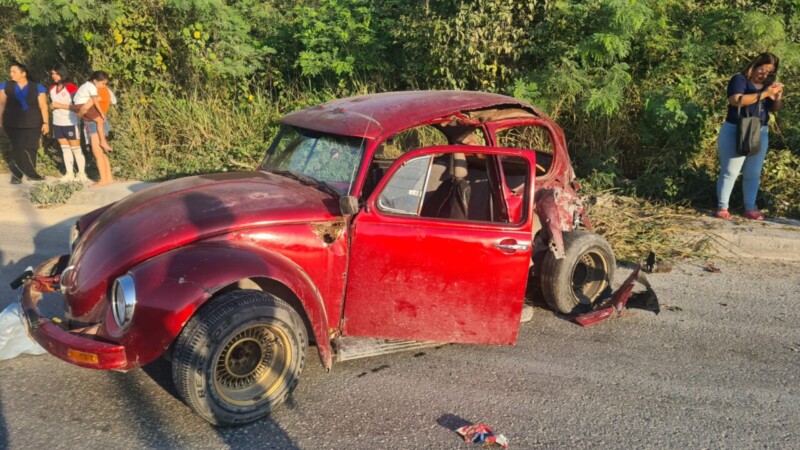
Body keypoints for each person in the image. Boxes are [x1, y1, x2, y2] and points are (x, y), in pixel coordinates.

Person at [715, 52, 785, 220]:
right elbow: (736, 100)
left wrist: (776, 98)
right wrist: (764, 94)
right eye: (763, 70)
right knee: (730, 170)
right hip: (736, 129)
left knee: (753, 172)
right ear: (754, 65)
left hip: (760, 131)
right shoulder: (739, 79)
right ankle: (722, 207)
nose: (765, 74)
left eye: (770, 72)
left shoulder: (767, 85)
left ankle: (750, 208)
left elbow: (773, 109)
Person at [0, 62, 48, 184]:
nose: (11, 74)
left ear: (23, 73)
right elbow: (2, 104)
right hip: (12, 122)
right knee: (17, 147)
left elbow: (43, 106)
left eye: (14, 72)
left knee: (31, 147)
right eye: (10, 72)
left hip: (33, 122)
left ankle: (31, 173)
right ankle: (16, 175)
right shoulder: (5, 86)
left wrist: (45, 122)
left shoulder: (37, 87)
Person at [74, 71, 115, 186]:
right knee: (102, 152)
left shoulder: (94, 90)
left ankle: (103, 180)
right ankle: (108, 178)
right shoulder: (105, 89)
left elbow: (86, 107)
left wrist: (79, 114)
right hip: (102, 118)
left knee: (97, 152)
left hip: (93, 121)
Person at [48, 64, 89, 182]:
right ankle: (69, 173)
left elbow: (78, 107)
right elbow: (53, 103)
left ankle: (81, 173)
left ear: (62, 73)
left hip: (70, 121)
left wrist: (59, 105)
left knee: (75, 148)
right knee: (65, 148)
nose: (54, 76)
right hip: (57, 121)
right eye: (52, 74)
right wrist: (52, 107)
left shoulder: (71, 87)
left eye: (56, 73)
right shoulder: (52, 88)